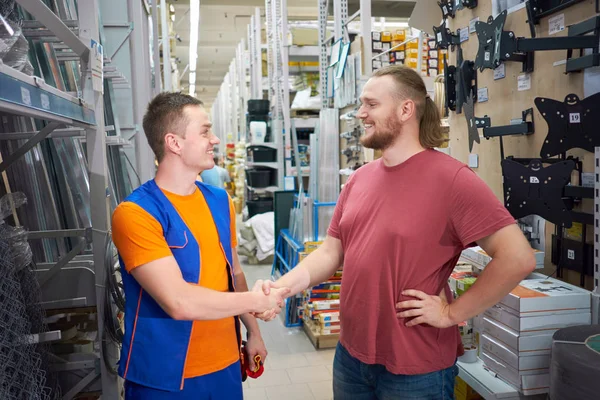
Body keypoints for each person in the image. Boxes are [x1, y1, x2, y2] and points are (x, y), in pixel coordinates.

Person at [255, 65, 536, 399]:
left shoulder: (452, 180)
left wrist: (451, 313)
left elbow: (517, 257)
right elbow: (331, 253)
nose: (361, 113)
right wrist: (281, 287)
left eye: (371, 104)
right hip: (351, 357)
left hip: (416, 368)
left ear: (406, 110)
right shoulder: (360, 179)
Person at [111, 92, 289, 399]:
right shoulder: (135, 213)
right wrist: (256, 302)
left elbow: (232, 274)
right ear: (174, 143)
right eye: (205, 132)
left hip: (226, 366)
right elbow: (179, 302)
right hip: (163, 376)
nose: (215, 139)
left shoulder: (219, 201)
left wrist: (254, 332)